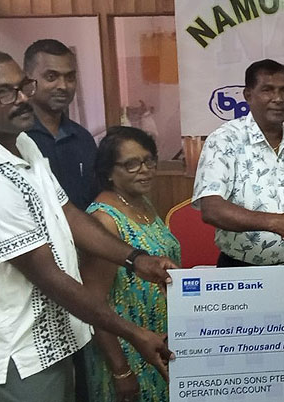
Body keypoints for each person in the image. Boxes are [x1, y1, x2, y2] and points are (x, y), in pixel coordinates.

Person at [0, 48, 175, 402]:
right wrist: (134, 334)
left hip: (51, 336)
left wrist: (135, 259)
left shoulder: (20, 142)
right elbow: (49, 277)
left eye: (23, 86)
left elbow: (66, 213)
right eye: (5, 92)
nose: (22, 99)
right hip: (16, 352)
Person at [192, 59, 284, 266]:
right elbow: (212, 209)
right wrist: (276, 222)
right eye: (267, 90)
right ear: (248, 95)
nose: (278, 99)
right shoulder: (225, 140)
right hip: (243, 270)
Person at [82, 127, 180, 402]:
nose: (145, 170)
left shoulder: (142, 202)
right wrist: (121, 370)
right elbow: (93, 303)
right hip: (126, 349)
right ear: (109, 172)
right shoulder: (104, 220)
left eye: (149, 160)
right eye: (131, 164)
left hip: (156, 340)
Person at [24, 39, 98, 210]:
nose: (63, 86)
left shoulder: (83, 139)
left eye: (70, 77)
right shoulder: (16, 138)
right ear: (28, 80)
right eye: (51, 77)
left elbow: (95, 200)